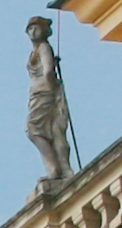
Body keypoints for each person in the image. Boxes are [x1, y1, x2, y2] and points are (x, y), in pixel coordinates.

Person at [25, 15, 81, 187]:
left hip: (44, 92)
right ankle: (55, 168)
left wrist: (51, 87)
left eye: (36, 28)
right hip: (37, 93)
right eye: (30, 29)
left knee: (33, 130)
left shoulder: (43, 48)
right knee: (47, 130)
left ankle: (54, 169)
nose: (33, 31)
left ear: (44, 31)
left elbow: (49, 71)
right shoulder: (35, 51)